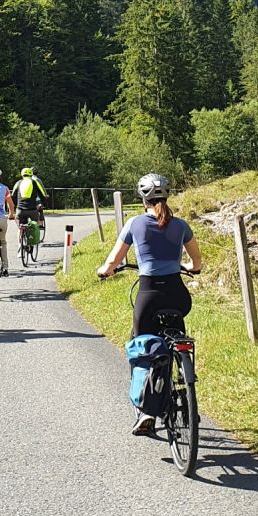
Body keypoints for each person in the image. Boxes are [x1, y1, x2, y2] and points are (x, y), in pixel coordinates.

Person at [97, 172, 202, 435]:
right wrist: (188, 267)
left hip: (149, 296)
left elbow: (112, 262)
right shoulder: (181, 225)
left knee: (141, 347)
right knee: (177, 338)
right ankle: (187, 394)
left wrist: (105, 271)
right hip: (178, 296)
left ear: (142, 197)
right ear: (167, 195)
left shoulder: (134, 223)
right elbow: (197, 263)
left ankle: (146, 412)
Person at [13, 166, 47, 240]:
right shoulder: (35, 182)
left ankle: (20, 246)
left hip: (20, 209)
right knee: (35, 224)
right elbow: (42, 194)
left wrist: (16, 205)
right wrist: (45, 203)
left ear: (22, 175)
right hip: (32, 209)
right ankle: (33, 241)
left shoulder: (18, 182)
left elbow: (13, 195)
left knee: (20, 227)